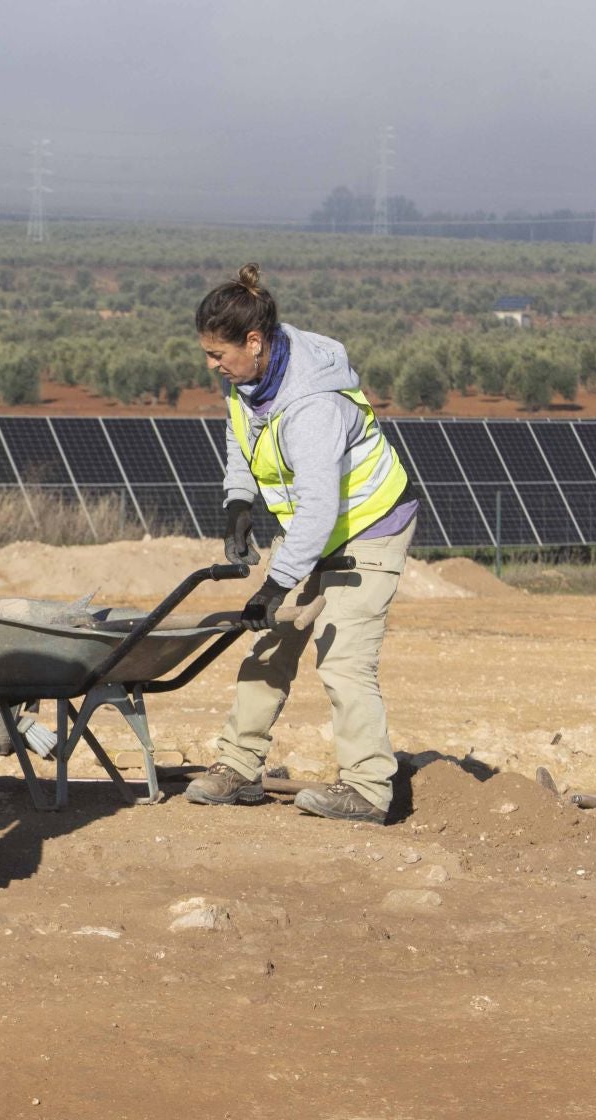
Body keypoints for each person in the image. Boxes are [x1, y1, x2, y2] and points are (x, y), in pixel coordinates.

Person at [184, 264, 418, 825]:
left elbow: (318, 506)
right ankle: (238, 769)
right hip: (317, 528)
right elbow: (242, 436)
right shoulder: (248, 379)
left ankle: (367, 789)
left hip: (370, 527)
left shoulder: (312, 406)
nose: (211, 365)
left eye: (219, 354)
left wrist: (275, 584)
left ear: (255, 341)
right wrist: (238, 502)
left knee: (343, 658)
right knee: (270, 644)